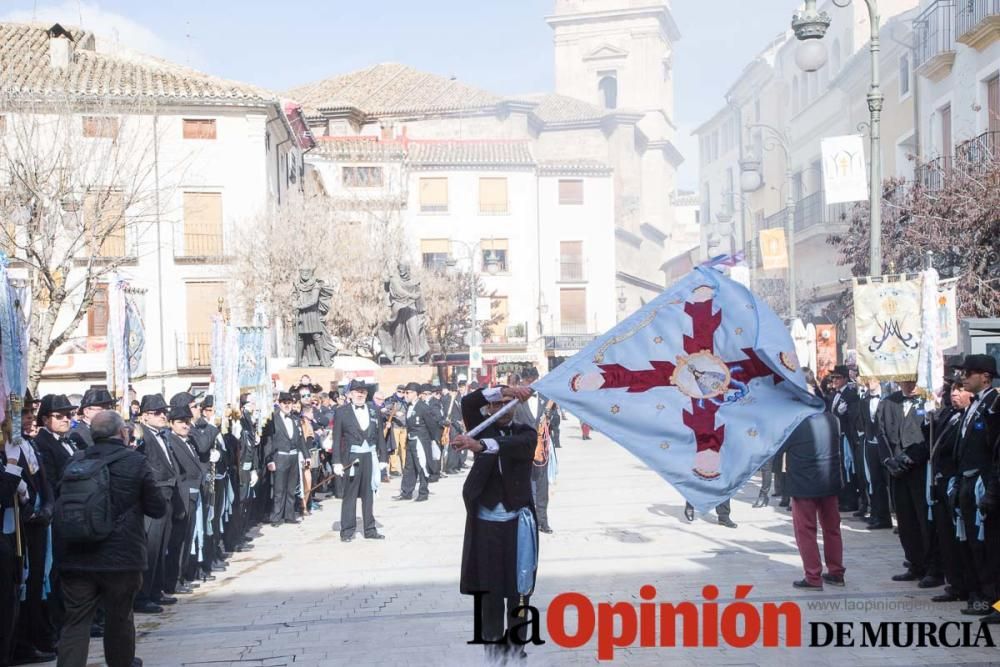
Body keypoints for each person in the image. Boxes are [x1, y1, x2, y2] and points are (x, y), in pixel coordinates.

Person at [55, 410, 167, 667]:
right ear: (122, 432)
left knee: (75, 622)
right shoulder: (134, 462)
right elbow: (157, 508)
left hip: (76, 557)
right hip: (121, 560)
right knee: (119, 619)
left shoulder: (75, 461)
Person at [450, 384, 537, 662]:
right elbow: (468, 402)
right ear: (490, 407)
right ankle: (490, 648)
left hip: (517, 523)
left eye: (510, 403)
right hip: (487, 522)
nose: (503, 409)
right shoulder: (482, 427)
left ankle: (516, 647)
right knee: (490, 589)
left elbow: (517, 447)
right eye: (498, 404)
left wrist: (482, 446)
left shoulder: (525, 433)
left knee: (518, 589)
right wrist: (502, 389)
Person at [879, 380, 942, 588]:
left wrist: (911, 458)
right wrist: (888, 460)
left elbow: (933, 435)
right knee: (905, 519)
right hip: (896, 469)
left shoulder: (929, 402)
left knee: (925, 517)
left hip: (920, 467)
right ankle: (914, 563)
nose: (911, 384)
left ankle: (933, 567)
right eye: (906, 380)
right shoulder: (888, 403)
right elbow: (880, 433)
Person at [953, 354, 1000, 617]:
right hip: (969, 481)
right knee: (974, 543)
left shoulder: (995, 403)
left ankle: (995, 602)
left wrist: (990, 488)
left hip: (987, 482)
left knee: (991, 547)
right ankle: (984, 597)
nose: (964, 378)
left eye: (969, 373)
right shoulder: (974, 405)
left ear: (985, 376)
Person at [778, 411, 845, 590]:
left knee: (806, 532)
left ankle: (813, 576)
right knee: (832, 529)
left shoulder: (793, 423)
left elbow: (778, 450)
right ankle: (836, 572)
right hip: (829, 481)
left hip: (803, 484)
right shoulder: (833, 419)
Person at [133, 394, 181, 614]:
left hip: (167, 493)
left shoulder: (162, 435)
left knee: (161, 546)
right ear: (144, 416)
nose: (163, 415)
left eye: (164, 412)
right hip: (155, 494)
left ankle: (155, 590)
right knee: (150, 548)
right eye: (157, 412)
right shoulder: (143, 434)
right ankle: (142, 596)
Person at [928, 377, 972, 603]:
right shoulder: (948, 415)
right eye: (953, 390)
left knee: (967, 542)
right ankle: (955, 584)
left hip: (962, 483)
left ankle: (973, 590)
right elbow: (934, 440)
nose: (954, 394)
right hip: (943, 483)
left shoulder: (975, 415)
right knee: (946, 537)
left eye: (960, 389)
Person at [331, 380, 388, 542]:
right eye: (357, 391)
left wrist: (383, 457)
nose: (360, 394)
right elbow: (336, 439)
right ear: (350, 394)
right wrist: (336, 462)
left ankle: (370, 529)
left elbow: (380, 436)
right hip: (352, 458)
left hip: (370, 457)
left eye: (363, 391)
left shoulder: (373, 410)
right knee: (350, 494)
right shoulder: (342, 412)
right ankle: (347, 530)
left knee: (368, 494)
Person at [262, 392, 309, 527]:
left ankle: (289, 515)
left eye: (289, 402)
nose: (287, 405)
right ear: (279, 403)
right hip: (280, 457)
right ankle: (276, 517)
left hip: (293, 456)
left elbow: (300, 439)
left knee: (291, 488)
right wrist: (269, 459)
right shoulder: (273, 419)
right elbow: (269, 440)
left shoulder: (295, 419)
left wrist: (306, 455)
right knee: (279, 489)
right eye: (285, 403)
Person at [825, 366, 863, 515]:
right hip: (836, 436)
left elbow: (854, 416)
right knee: (840, 468)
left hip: (846, 436)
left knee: (848, 468)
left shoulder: (851, 394)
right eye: (833, 378)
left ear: (845, 379)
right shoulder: (834, 394)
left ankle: (851, 500)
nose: (834, 380)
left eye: (837, 378)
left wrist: (844, 413)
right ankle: (843, 498)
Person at [857, 379, 892, 529]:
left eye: (872, 378)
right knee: (875, 481)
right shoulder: (864, 400)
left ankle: (895, 515)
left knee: (890, 481)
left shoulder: (888, 397)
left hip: (886, 444)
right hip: (871, 443)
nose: (869, 382)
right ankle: (879, 516)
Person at [394, 383, 435, 503]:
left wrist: (433, 440)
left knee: (422, 465)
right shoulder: (409, 406)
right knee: (409, 467)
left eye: (409, 392)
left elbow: (431, 425)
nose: (406, 395)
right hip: (411, 439)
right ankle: (406, 492)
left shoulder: (423, 407)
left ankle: (423, 492)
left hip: (420, 440)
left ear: (416, 394)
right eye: (405, 392)